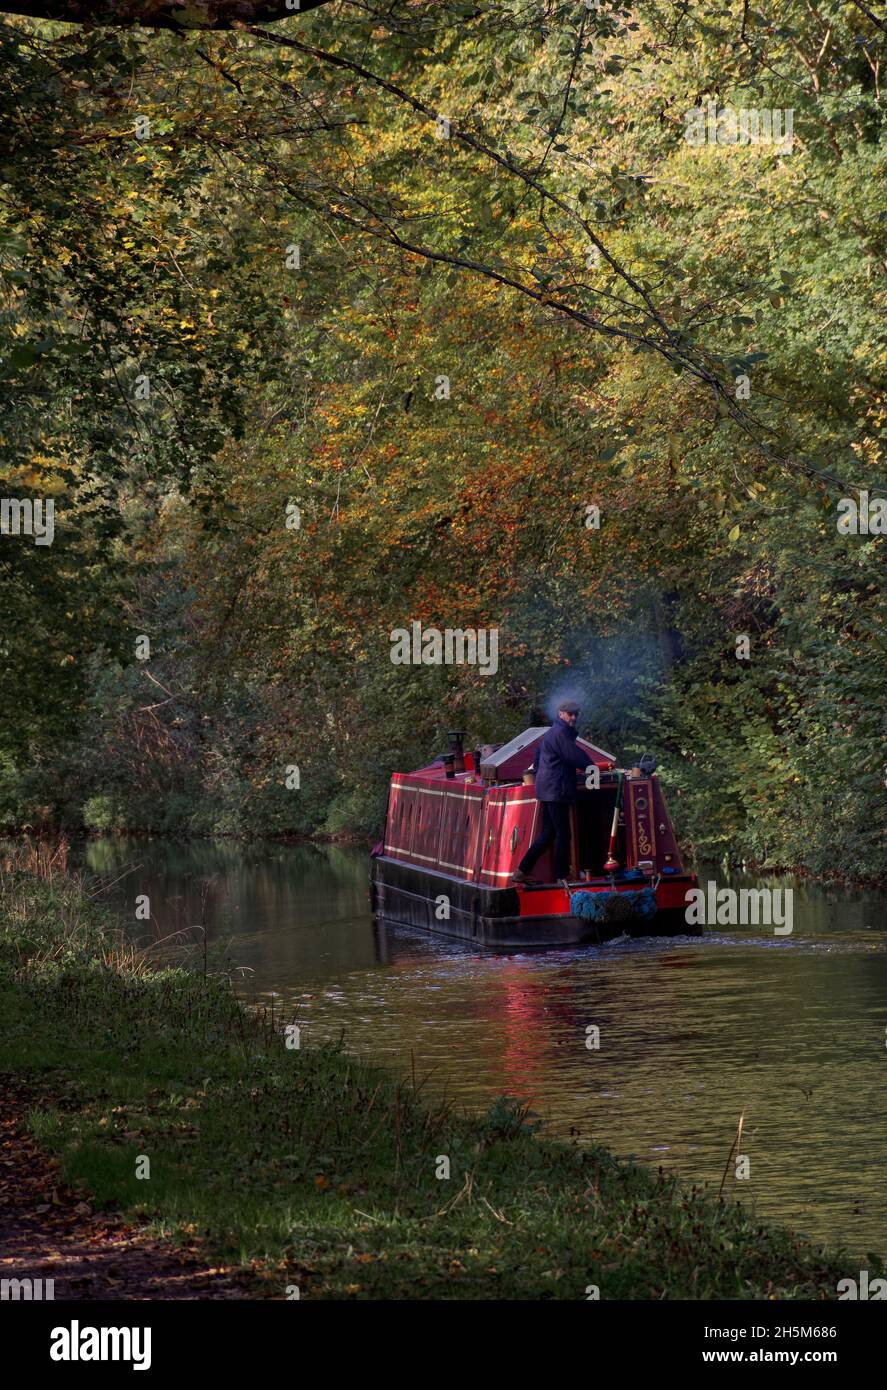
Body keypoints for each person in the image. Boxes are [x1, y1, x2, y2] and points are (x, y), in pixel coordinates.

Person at [512, 701, 588, 883]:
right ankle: (562, 876)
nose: (574, 717)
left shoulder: (554, 733)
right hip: (556, 791)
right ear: (561, 713)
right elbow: (573, 756)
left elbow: (541, 759)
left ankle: (522, 871)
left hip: (549, 789)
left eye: (576, 714)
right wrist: (593, 767)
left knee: (548, 833)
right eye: (570, 714)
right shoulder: (560, 733)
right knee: (563, 834)